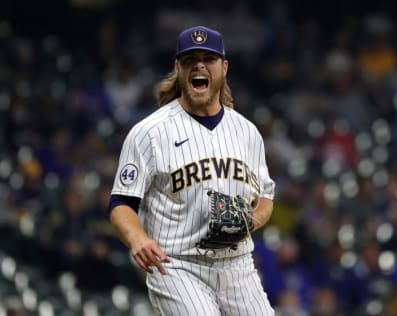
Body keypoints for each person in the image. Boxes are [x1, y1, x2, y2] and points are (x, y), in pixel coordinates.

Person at [109, 25, 276, 315]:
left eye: (208, 59)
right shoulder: (149, 133)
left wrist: (250, 221)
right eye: (190, 60)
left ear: (224, 68)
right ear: (178, 68)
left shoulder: (247, 132)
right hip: (177, 265)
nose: (199, 65)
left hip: (238, 267)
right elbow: (122, 202)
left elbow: (266, 198)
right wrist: (138, 239)